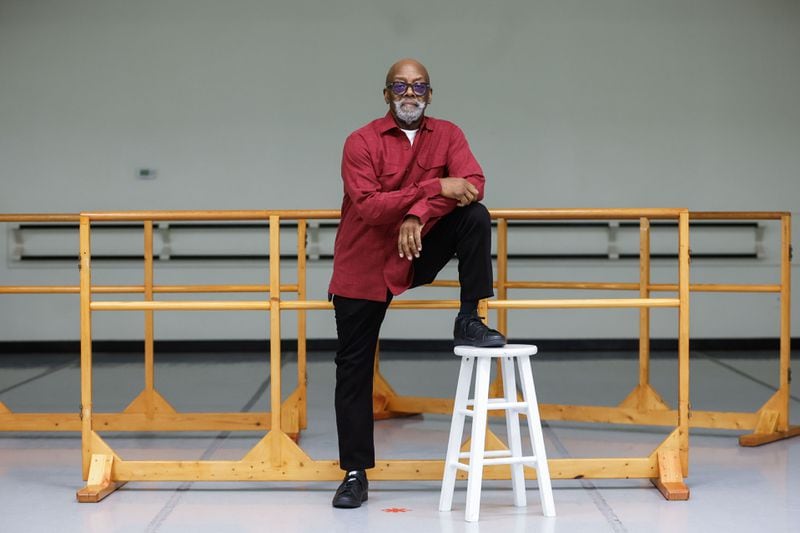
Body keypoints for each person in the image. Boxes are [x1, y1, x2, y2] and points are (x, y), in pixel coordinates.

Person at [328, 58, 505, 509]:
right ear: (386, 93)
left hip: (415, 250)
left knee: (475, 217)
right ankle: (353, 473)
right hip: (363, 264)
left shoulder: (448, 134)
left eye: (420, 86)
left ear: (430, 93)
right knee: (354, 370)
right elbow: (368, 207)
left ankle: (468, 318)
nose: (411, 93)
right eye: (401, 86)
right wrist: (436, 186)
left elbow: (473, 185)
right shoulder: (361, 141)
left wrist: (418, 211)